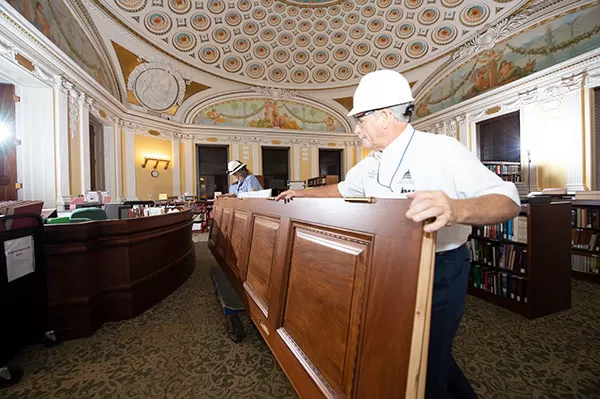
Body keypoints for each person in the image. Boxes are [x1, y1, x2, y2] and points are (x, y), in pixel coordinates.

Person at [275, 69, 520, 398]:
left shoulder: (441, 149)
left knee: (425, 366)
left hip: (441, 270)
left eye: (361, 119)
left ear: (385, 116)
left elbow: (507, 202)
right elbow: (343, 190)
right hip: (389, 268)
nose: (357, 129)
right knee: (414, 353)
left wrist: (457, 210)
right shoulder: (368, 164)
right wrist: (301, 194)